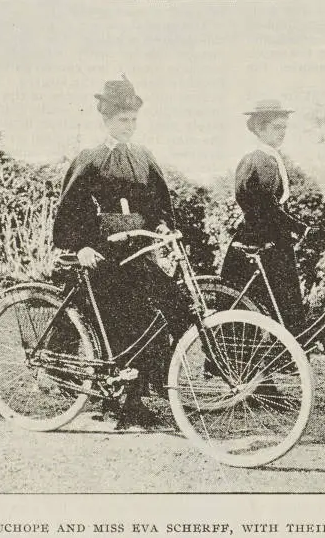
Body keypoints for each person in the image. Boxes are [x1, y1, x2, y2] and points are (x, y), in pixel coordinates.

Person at [53, 76, 190, 429]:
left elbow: (159, 201)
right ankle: (118, 401)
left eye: (132, 120)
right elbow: (71, 207)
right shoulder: (92, 158)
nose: (128, 127)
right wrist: (80, 245)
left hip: (138, 248)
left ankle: (148, 389)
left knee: (172, 304)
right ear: (106, 121)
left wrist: (162, 226)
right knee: (120, 320)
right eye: (121, 121)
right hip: (102, 251)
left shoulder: (142, 157)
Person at [220, 99, 308, 337]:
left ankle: (285, 357)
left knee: (278, 302)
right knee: (257, 304)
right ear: (260, 128)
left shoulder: (270, 157)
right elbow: (265, 206)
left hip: (271, 238)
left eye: (284, 127)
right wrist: (299, 228)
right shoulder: (258, 160)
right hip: (259, 240)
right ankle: (272, 358)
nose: (283, 133)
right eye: (277, 127)